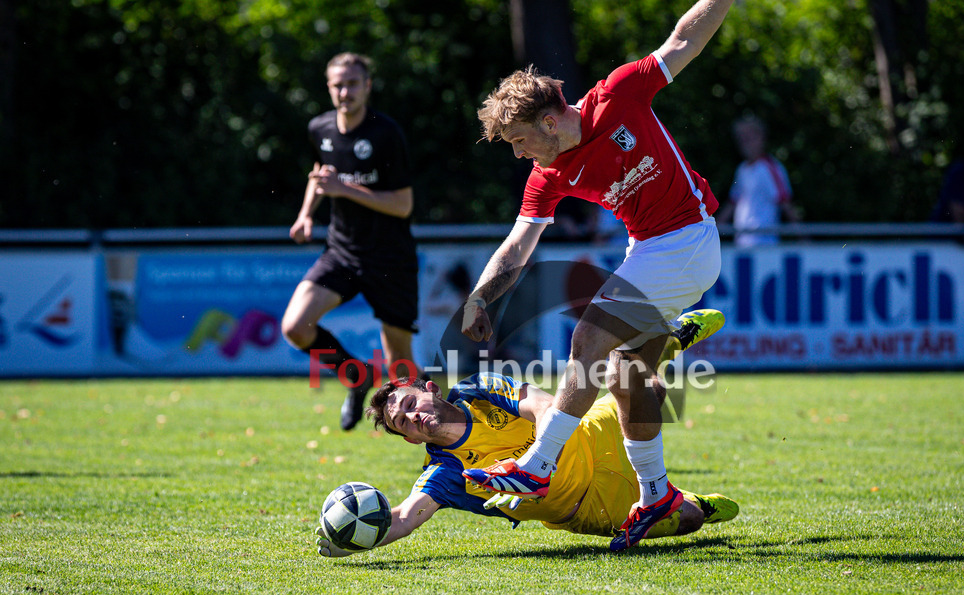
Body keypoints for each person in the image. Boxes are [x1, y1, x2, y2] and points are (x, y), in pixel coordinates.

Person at [460, 0, 734, 550]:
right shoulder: (548, 173)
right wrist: (479, 299)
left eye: (518, 139)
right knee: (626, 378)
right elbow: (518, 244)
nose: (518, 154)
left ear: (548, 119)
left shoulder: (619, 93)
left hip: (687, 241)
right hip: (651, 249)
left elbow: (684, 40)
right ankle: (656, 495)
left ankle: (539, 465)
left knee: (588, 333)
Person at [315, 312, 736, 558]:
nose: (413, 418)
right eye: (403, 424)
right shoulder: (442, 475)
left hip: (589, 432)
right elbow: (403, 518)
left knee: (636, 382)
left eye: (409, 405)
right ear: (409, 440)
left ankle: (666, 343)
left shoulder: (478, 389)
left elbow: (547, 407)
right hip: (588, 507)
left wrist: (532, 465)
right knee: (692, 522)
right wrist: (351, 540)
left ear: (429, 389)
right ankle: (689, 500)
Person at [280, 52, 421, 431]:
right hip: (342, 251)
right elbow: (319, 174)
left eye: (353, 84)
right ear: (329, 88)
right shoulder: (320, 129)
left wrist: (345, 188)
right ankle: (356, 377)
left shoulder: (385, 133)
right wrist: (306, 213)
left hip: (391, 259)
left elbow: (402, 204)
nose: (345, 92)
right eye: (338, 85)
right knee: (295, 327)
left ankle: (448, 437)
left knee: (401, 366)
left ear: (367, 87)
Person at [715, 114, 799, 247]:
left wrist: (804, 239)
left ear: (761, 137)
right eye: (741, 139)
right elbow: (732, 203)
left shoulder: (770, 168)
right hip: (742, 244)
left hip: (764, 245)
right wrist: (711, 232)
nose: (744, 144)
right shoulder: (742, 169)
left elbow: (786, 204)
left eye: (748, 138)